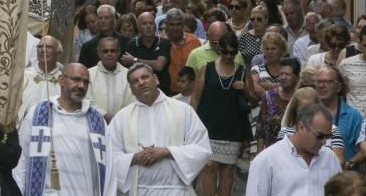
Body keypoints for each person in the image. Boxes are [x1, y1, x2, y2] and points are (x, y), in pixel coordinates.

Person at [106, 63, 210, 195]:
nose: (141, 82)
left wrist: (167, 152)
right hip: (138, 190)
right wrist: (135, 157)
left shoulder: (183, 110)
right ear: (131, 89)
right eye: (135, 81)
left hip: (175, 190)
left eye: (145, 77)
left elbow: (202, 148)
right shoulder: (122, 117)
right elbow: (109, 156)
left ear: (156, 79)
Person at [15, 63, 114, 196]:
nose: (81, 86)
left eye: (85, 82)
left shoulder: (97, 121)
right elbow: (22, 158)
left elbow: (109, 168)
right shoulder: (39, 113)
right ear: (61, 80)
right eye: (76, 79)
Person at [191, 32, 252, 196]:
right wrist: (192, 126)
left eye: (233, 52)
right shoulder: (206, 68)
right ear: (219, 49)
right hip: (208, 125)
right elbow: (195, 98)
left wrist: (244, 88)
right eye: (225, 52)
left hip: (232, 126)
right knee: (210, 166)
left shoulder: (241, 70)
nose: (228, 55)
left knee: (229, 170)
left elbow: (252, 99)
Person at [246, 103, 342, 196]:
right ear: (301, 127)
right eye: (320, 136)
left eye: (328, 136)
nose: (324, 142)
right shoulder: (266, 160)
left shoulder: (330, 158)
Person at [314, 66, 362, 161]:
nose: (321, 85)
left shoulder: (353, 116)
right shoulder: (308, 112)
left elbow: (360, 151)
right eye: (319, 82)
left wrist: (349, 164)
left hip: (341, 172)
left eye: (327, 82)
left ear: (339, 87)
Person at [256, 57, 301, 152]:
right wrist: (259, 151)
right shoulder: (269, 96)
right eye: (281, 74)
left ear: (297, 77)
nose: (283, 77)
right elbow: (261, 127)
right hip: (271, 151)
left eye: (288, 74)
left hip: (295, 152)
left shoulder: (302, 98)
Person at [121, 11, 171, 94]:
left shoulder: (164, 42)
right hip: (140, 91)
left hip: (162, 91)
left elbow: (159, 65)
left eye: (151, 23)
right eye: (144, 23)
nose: (148, 26)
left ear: (155, 26)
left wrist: (134, 60)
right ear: (138, 27)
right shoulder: (132, 44)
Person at [18, 37, 64, 126]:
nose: (43, 50)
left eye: (48, 47)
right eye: (39, 47)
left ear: (58, 54)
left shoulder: (63, 81)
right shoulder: (24, 75)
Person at [88, 36, 134, 123]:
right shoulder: (89, 74)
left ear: (118, 52)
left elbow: (133, 102)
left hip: (123, 123)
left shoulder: (129, 75)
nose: (109, 54)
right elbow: (87, 101)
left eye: (113, 51)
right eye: (105, 51)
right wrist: (104, 115)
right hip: (96, 123)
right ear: (99, 53)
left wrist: (118, 119)